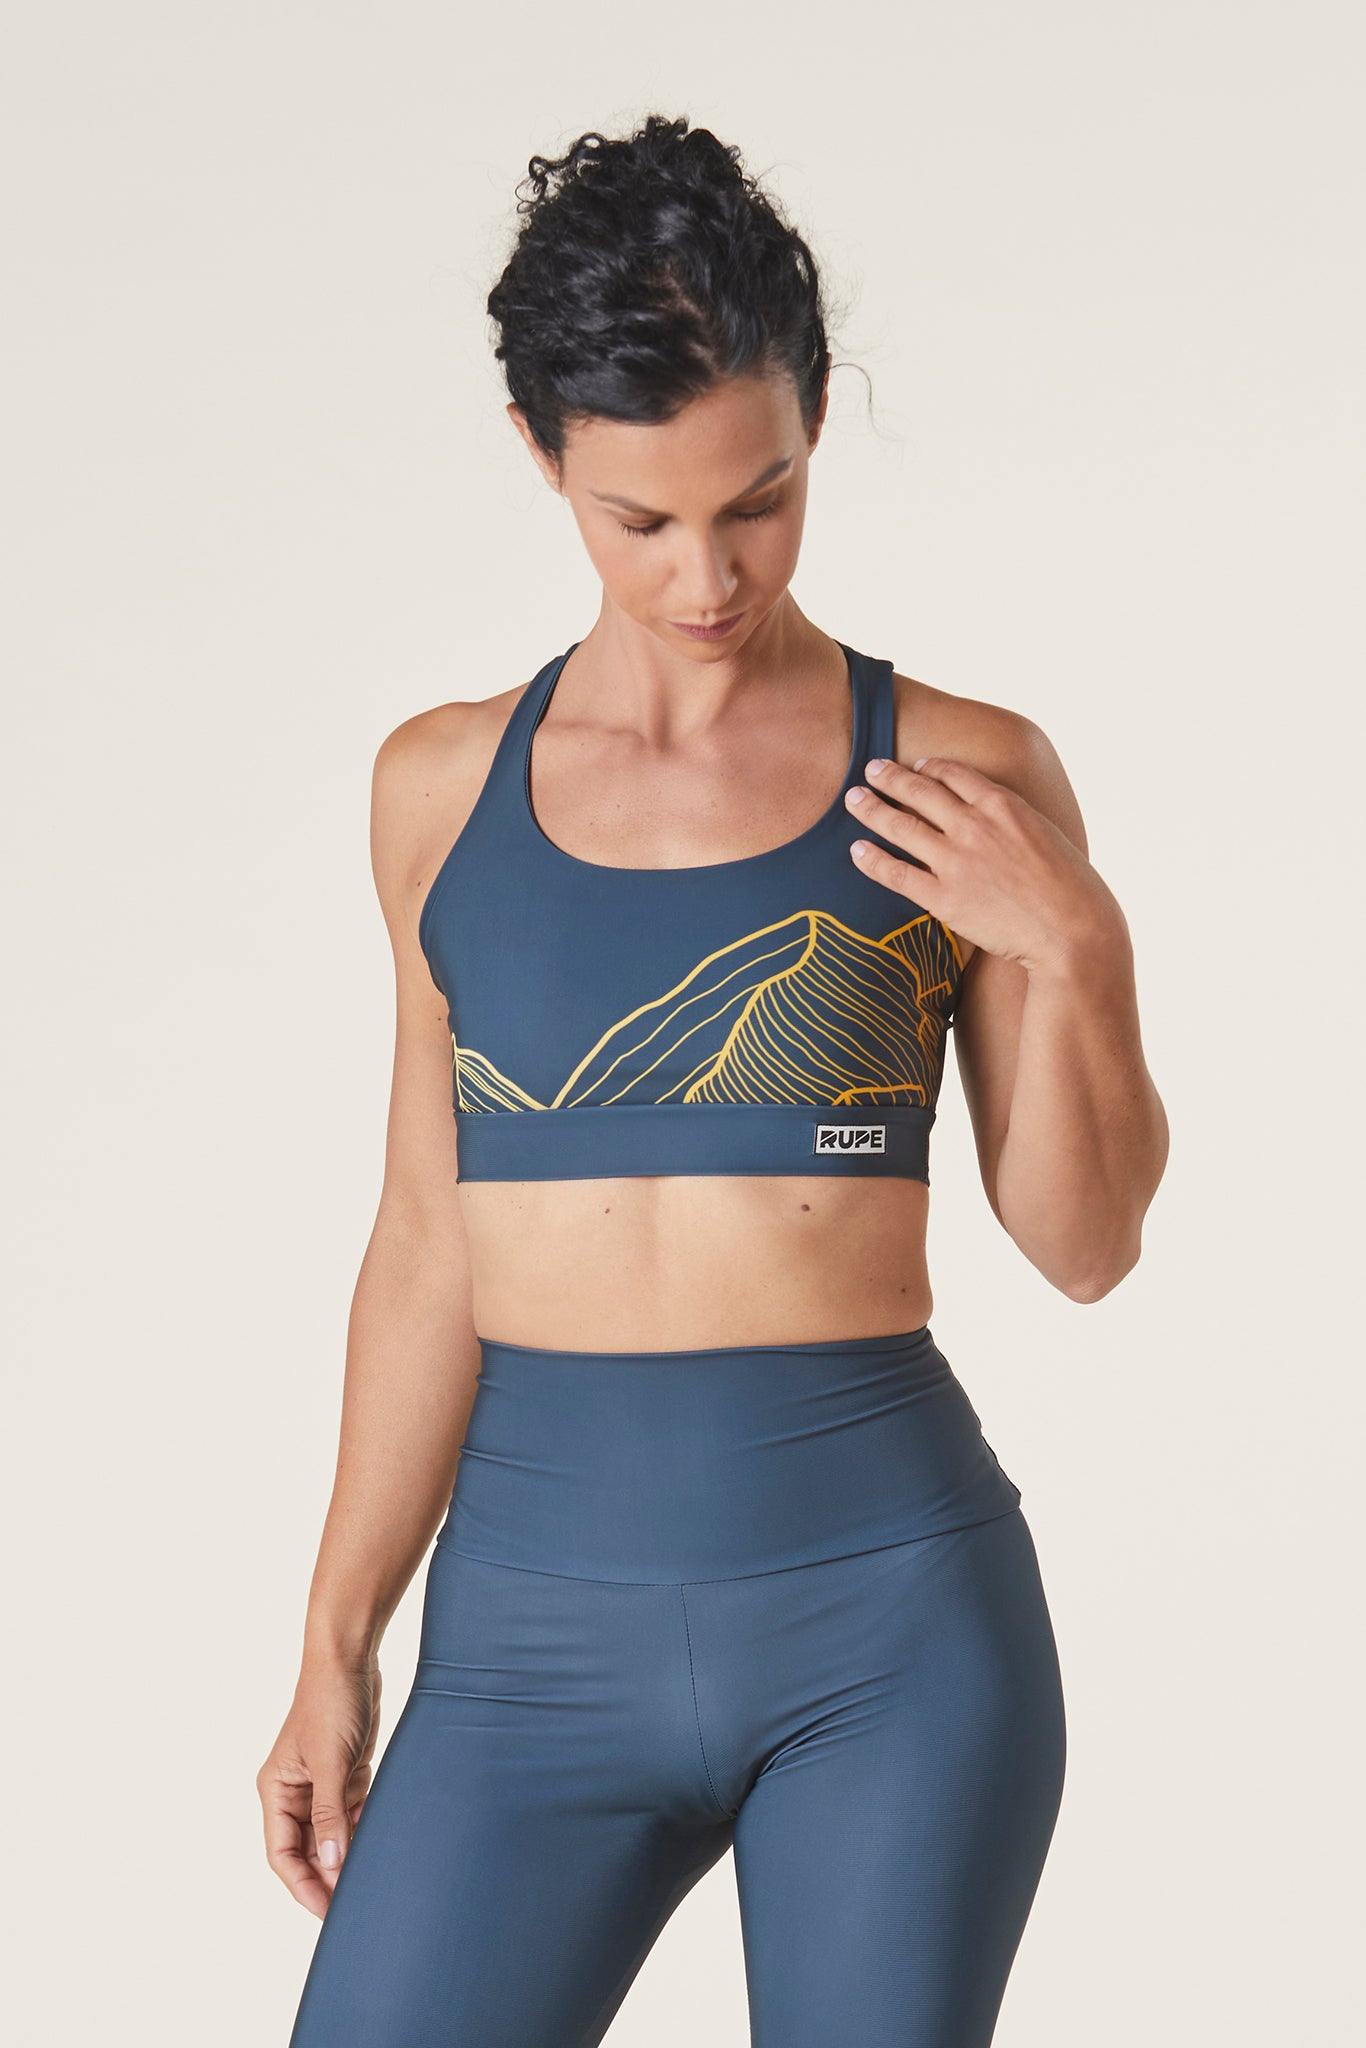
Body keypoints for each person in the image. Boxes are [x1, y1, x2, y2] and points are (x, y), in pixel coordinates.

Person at [259, 113, 1169, 2047]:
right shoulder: (437, 791)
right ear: (544, 457)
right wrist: (336, 1641)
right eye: (641, 521)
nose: (705, 573)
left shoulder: (962, 776)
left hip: (888, 1641)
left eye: (758, 502)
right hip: (521, 1648)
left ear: (815, 417)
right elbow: (425, 1243)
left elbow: (1083, 1247)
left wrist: (1075, 946)